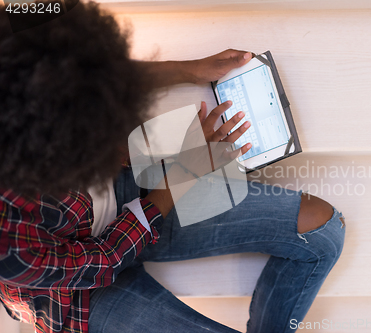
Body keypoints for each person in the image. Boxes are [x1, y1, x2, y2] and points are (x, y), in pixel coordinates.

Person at [0, 1, 346, 332]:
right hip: (74, 296)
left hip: (120, 190)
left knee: (319, 231)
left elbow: (89, 72)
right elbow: (102, 259)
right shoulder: (7, 246)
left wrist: (189, 70)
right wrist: (182, 175)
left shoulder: (14, 33)